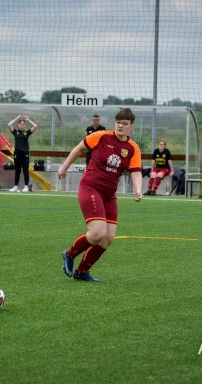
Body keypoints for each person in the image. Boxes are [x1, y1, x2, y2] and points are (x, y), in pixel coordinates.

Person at [58, 108, 143, 282]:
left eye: (125, 123)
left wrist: (138, 189)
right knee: (97, 233)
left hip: (109, 195)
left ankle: (81, 272)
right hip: (90, 188)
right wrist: (64, 167)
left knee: (107, 238)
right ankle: (69, 253)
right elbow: (78, 149)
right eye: (118, 122)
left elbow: (135, 171)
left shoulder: (133, 148)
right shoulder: (101, 136)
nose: (120, 126)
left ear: (131, 127)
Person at [8, 115, 37, 192]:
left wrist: (28, 119)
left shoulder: (27, 132)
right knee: (17, 170)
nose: (22, 125)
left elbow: (35, 126)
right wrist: (17, 118)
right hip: (17, 153)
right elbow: (9, 125)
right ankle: (16, 186)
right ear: (18, 125)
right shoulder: (15, 132)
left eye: (23, 124)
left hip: (25, 153)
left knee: (25, 170)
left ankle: (26, 186)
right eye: (21, 124)